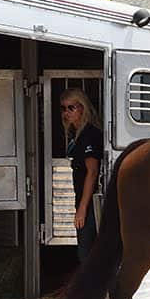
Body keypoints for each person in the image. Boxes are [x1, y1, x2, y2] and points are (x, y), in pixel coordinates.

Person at [60, 88, 103, 262]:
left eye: (72, 108)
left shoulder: (89, 134)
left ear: (82, 108)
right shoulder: (76, 134)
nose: (66, 113)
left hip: (91, 201)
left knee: (86, 253)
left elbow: (92, 172)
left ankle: (94, 288)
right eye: (63, 108)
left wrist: (82, 209)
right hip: (84, 199)